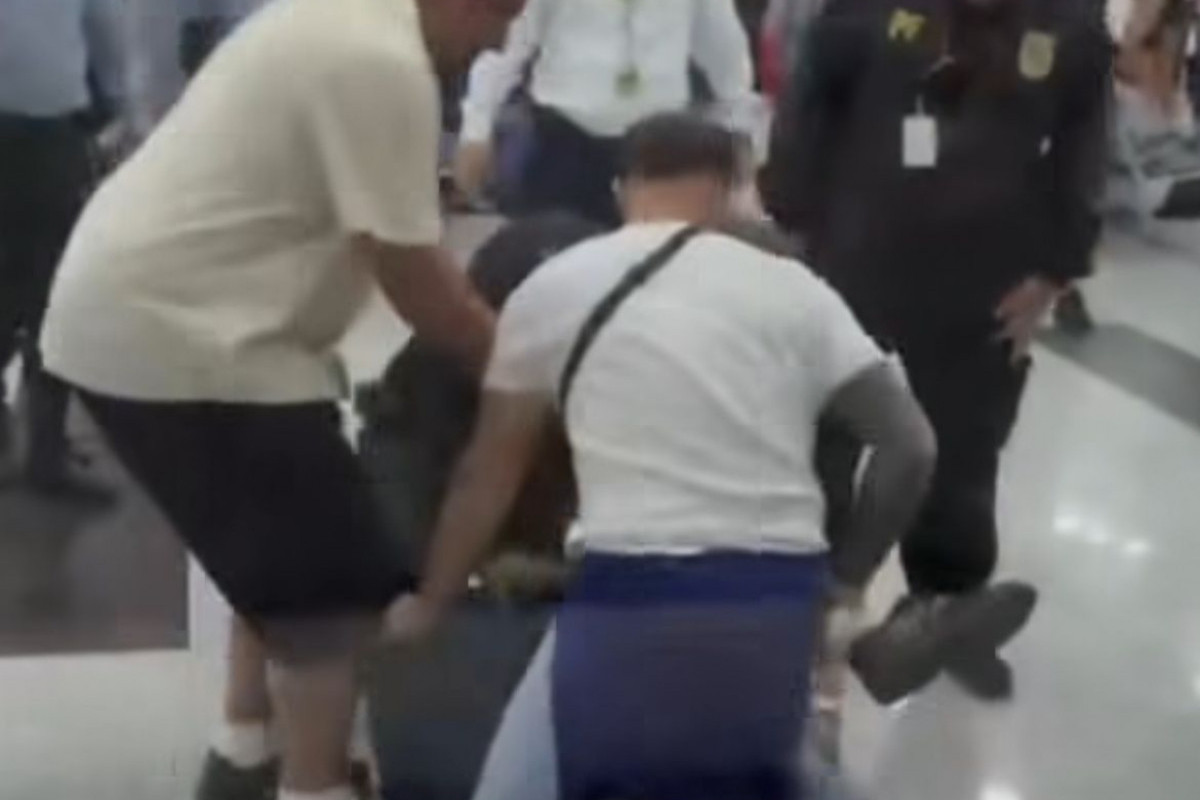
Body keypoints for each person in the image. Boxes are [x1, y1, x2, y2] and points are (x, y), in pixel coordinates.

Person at [392, 113, 1039, 800]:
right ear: (736, 185)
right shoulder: (796, 288)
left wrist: (430, 605)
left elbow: (487, 474)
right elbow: (910, 447)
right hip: (774, 601)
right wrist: (845, 584)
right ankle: (853, 657)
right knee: (763, 765)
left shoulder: (553, 288)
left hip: (626, 598)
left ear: (621, 190)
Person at [38, 1, 525, 799]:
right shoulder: (383, 62)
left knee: (278, 557)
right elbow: (411, 273)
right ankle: (313, 785)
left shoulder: (338, 18)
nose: (502, 40)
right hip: (187, 335)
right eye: (502, 14)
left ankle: (245, 749)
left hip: (159, 315)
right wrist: (519, 365)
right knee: (331, 595)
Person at [765, 0, 1110, 699]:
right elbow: (811, 103)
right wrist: (794, 218)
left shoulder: (1069, 21)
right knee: (824, 438)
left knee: (963, 454)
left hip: (987, 274)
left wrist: (1056, 267)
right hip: (857, 251)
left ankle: (946, 613)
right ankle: (800, 607)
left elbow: (1085, 146)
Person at [454, 0, 764, 225]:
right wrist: (476, 129)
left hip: (659, 152)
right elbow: (507, 46)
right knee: (555, 267)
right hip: (563, 144)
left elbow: (728, 58)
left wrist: (744, 140)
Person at [0, 0, 131, 500]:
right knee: (53, 299)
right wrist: (116, 102)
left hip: (48, 133)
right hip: (49, 136)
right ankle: (46, 457)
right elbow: (104, 31)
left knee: (35, 294)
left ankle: (39, 453)